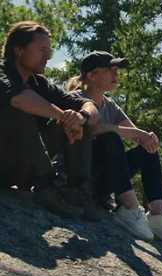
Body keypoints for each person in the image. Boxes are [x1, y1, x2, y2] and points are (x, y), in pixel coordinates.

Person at [67, 51, 162, 244]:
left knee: (147, 149)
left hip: (104, 179)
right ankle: (130, 209)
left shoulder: (109, 105)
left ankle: (157, 215)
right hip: (80, 178)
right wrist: (125, 131)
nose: (116, 74)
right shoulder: (74, 98)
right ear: (92, 75)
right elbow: (93, 128)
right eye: (110, 70)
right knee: (110, 137)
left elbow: (134, 133)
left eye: (116, 70)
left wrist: (147, 138)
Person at [0, 21, 101, 218]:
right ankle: (46, 186)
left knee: (81, 121)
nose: (48, 56)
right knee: (18, 110)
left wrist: (81, 117)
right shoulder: (2, 73)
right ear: (19, 50)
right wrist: (63, 115)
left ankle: (77, 190)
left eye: (49, 50)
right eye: (42, 50)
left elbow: (89, 105)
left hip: (20, 169)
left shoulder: (39, 82)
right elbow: (21, 99)